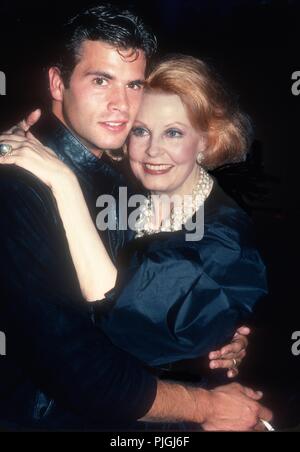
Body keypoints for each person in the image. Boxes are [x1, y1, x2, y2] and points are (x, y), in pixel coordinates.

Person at [0, 4, 271, 431]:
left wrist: (212, 334)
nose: (120, 106)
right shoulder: (19, 187)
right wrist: (208, 405)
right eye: (100, 80)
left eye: (133, 85)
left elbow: (150, 302)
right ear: (57, 82)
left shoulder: (118, 176)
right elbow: (85, 370)